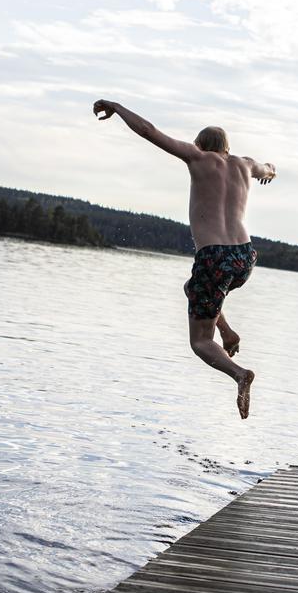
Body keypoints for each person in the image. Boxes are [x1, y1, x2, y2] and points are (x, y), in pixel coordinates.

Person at [93, 99, 276, 419]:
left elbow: (148, 131)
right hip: (245, 257)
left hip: (214, 256)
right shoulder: (245, 164)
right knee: (193, 288)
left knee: (200, 342)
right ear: (227, 148)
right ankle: (227, 332)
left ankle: (239, 374)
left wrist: (118, 107)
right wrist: (270, 171)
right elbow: (268, 169)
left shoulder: (197, 157)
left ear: (200, 145)